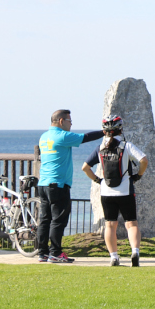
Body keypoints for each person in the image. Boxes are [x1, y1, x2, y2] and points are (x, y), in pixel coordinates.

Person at [37, 109, 103, 263]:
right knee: (58, 220)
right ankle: (56, 253)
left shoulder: (44, 136)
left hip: (43, 184)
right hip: (58, 184)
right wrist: (105, 132)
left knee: (45, 219)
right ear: (61, 121)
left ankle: (42, 253)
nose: (71, 124)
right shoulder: (62, 136)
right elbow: (85, 137)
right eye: (70, 121)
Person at [81, 115, 148, 267]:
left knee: (110, 225)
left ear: (104, 131)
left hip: (106, 192)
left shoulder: (100, 149)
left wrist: (98, 180)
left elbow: (85, 167)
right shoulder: (126, 146)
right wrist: (138, 175)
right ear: (120, 129)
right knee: (131, 224)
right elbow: (144, 160)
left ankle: (113, 257)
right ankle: (135, 252)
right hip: (125, 191)